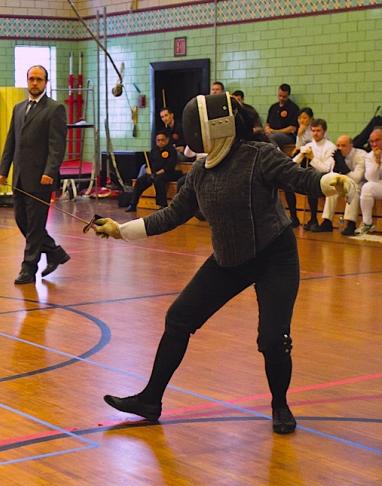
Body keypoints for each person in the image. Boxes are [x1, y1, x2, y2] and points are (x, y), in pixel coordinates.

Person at [92, 93, 352, 434]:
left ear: (215, 127)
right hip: (230, 259)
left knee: (273, 340)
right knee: (179, 318)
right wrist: (121, 230)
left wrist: (326, 182)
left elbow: (297, 178)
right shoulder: (200, 171)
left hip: (275, 256)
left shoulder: (260, 155)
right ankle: (150, 400)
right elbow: (173, 214)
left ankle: (280, 405)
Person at [0, 65, 69, 285]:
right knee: (23, 221)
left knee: (36, 225)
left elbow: (57, 145)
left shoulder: (55, 109)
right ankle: (55, 252)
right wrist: (3, 169)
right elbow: (11, 141)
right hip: (20, 177)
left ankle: (28, 268)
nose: (34, 83)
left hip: (41, 179)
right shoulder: (19, 108)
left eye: (39, 79)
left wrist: (50, 171)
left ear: (46, 82)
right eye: (31, 79)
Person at [293, 118, 336, 231]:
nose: (315, 133)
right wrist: (301, 155)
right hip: (310, 179)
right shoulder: (309, 145)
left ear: (324, 132)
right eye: (313, 130)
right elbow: (292, 164)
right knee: (288, 185)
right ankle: (293, 217)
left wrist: (312, 158)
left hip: (324, 179)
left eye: (318, 131)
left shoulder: (331, 147)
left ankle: (313, 219)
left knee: (312, 180)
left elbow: (326, 169)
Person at [321, 135, 366, 235]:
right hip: (345, 181)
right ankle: (327, 222)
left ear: (351, 145)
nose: (340, 148)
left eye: (343, 145)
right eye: (338, 145)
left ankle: (351, 224)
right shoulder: (337, 155)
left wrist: (343, 166)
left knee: (353, 188)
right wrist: (338, 166)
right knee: (332, 188)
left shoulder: (361, 155)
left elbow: (357, 178)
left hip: (362, 184)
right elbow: (333, 174)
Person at [125, 131, 180, 212]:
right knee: (140, 181)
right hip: (153, 174)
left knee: (158, 180)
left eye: (162, 140)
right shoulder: (154, 150)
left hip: (167, 173)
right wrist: (148, 170)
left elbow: (169, 166)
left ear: (167, 140)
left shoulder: (171, 150)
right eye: (158, 140)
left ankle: (162, 205)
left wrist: (156, 174)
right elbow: (148, 164)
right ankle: (133, 204)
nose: (160, 142)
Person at [356, 128, 382, 235]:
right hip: (379, 185)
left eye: (377, 140)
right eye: (372, 141)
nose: (374, 144)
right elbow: (371, 178)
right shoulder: (369, 156)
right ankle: (367, 223)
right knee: (367, 187)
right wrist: (377, 161)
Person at [265, 83, 300, 148]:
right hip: (272, 133)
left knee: (271, 138)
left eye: (284, 97)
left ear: (288, 95)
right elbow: (267, 123)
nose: (281, 98)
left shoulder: (293, 108)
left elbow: (292, 128)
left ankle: (277, 154)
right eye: (280, 95)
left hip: (288, 136)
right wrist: (267, 129)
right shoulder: (273, 107)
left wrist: (274, 131)